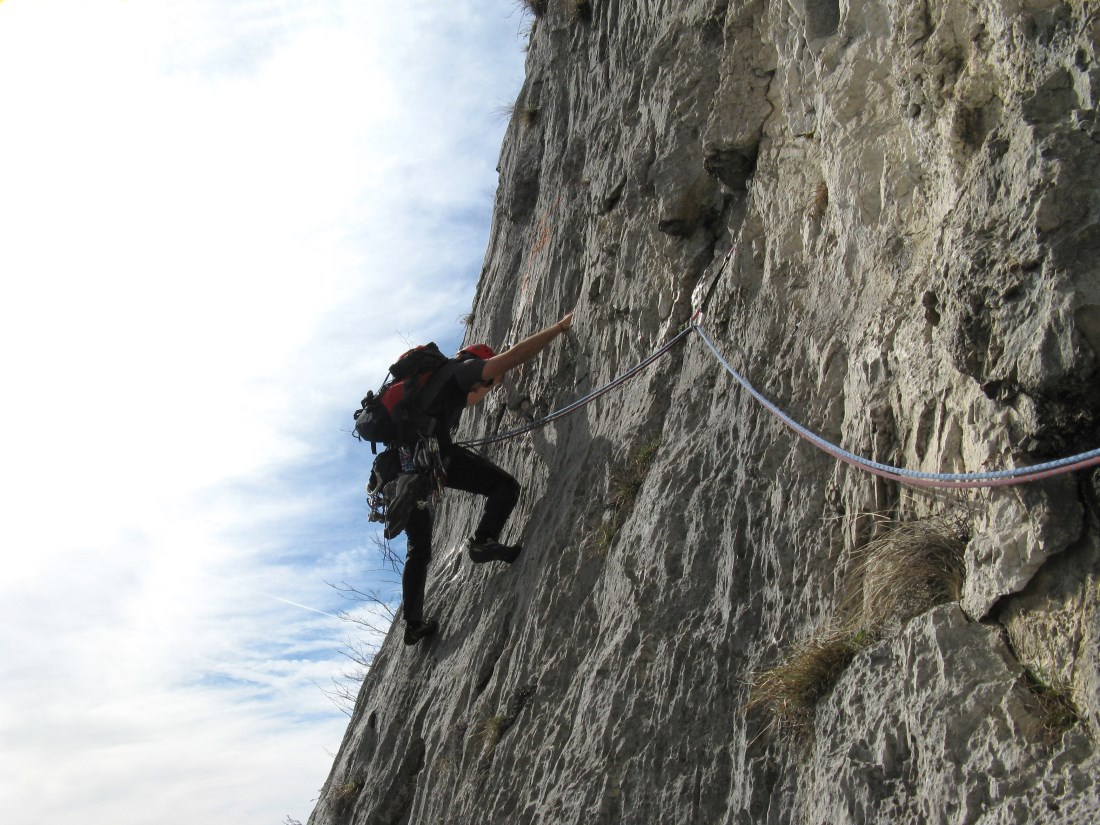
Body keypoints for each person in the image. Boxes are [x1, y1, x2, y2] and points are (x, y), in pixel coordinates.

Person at [400, 311, 574, 645]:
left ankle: (413, 624)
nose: (485, 386)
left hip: (403, 471)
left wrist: (498, 382)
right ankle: (483, 541)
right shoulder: (462, 371)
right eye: (486, 377)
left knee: (418, 550)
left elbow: (477, 392)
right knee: (504, 486)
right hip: (433, 460)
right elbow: (512, 359)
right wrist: (557, 328)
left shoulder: (434, 386)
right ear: (477, 364)